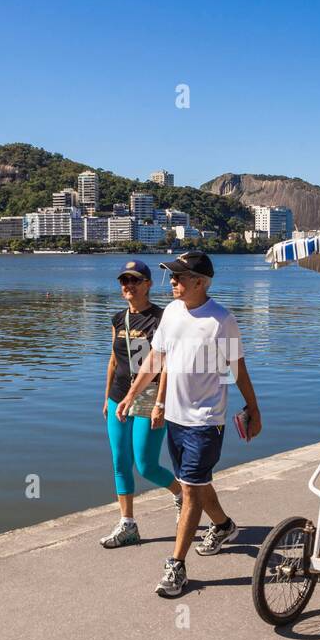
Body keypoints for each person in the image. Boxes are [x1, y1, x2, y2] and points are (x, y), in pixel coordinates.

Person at [117, 252, 262, 598]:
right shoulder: (171, 313)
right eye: (171, 276)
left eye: (180, 277)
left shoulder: (221, 320)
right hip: (175, 419)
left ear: (200, 282)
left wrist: (253, 407)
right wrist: (131, 396)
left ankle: (176, 566)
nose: (173, 282)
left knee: (190, 490)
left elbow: (236, 367)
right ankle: (224, 526)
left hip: (205, 419)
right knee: (191, 484)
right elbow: (156, 358)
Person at [101, 260, 183, 548]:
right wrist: (107, 397)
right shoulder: (117, 319)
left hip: (151, 396)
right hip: (119, 398)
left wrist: (161, 401)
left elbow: (167, 364)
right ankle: (128, 524)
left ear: (148, 284)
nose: (128, 286)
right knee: (120, 462)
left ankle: (180, 494)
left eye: (135, 280)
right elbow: (114, 360)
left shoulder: (162, 319)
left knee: (146, 465)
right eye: (124, 281)